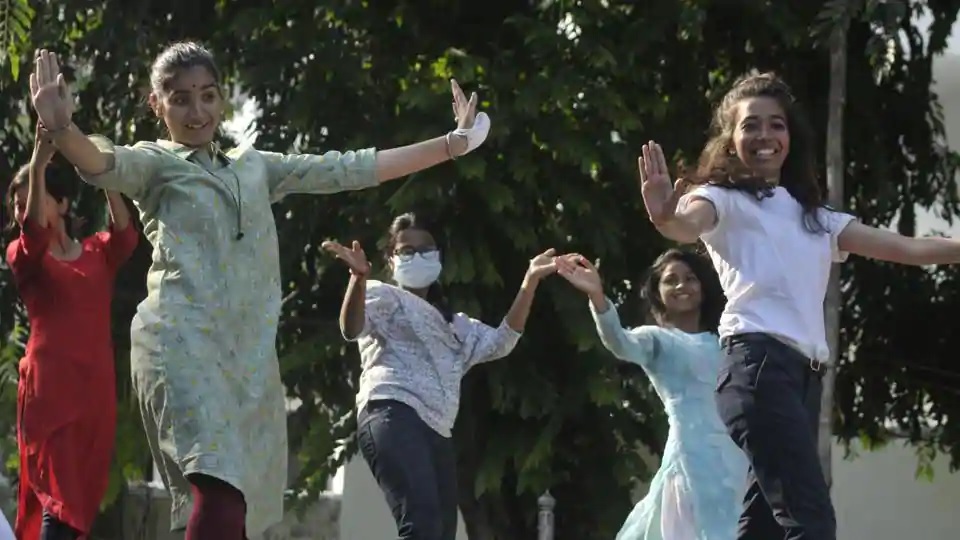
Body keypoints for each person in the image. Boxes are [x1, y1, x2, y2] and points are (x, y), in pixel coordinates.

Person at [27, 42, 492, 540]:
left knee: (233, 514)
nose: (197, 111)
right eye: (180, 99)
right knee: (220, 498)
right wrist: (62, 129)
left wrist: (451, 144)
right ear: (156, 104)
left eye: (208, 95)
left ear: (222, 99)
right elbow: (99, 161)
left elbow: (351, 168)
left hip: (245, 362)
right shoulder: (155, 163)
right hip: (181, 345)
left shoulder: (254, 166)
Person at [640, 72, 960, 540]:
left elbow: (907, 248)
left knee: (765, 528)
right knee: (811, 521)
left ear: (791, 138)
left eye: (777, 124)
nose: (765, 136)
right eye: (750, 125)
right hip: (757, 368)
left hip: (803, 381)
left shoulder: (815, 218)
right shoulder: (720, 199)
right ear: (731, 139)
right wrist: (664, 214)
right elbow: (684, 225)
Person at [322, 212, 557, 540]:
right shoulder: (382, 295)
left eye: (425, 250)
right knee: (423, 525)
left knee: (442, 533)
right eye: (407, 250)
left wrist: (530, 281)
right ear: (391, 260)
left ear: (439, 258)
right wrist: (358, 279)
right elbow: (351, 328)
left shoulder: (457, 326)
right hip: (393, 412)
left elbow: (502, 341)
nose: (417, 256)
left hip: (438, 431)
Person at [4, 122, 138, 540]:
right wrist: (37, 164)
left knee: (79, 503)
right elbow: (32, 232)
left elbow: (126, 235)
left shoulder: (97, 251)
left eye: (33, 199)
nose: (22, 212)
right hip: (51, 393)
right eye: (17, 205)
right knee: (58, 501)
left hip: (95, 391)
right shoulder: (24, 255)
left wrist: (104, 175)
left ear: (62, 203)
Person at [556, 249, 746, 540]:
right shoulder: (657, 339)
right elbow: (620, 342)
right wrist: (597, 295)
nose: (681, 286)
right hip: (691, 460)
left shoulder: (725, 343)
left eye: (690, 278)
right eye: (671, 280)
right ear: (657, 292)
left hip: (735, 461)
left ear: (703, 287)